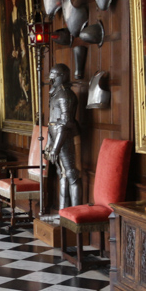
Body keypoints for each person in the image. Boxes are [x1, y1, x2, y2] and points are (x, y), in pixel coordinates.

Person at [45, 64, 81, 209]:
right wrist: (49, 142)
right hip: (57, 137)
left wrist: (56, 147)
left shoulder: (65, 95)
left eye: (54, 76)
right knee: (63, 175)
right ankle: (63, 212)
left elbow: (65, 123)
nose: (52, 79)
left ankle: (75, 213)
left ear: (62, 76)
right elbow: (52, 122)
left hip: (66, 137)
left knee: (72, 175)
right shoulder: (56, 94)